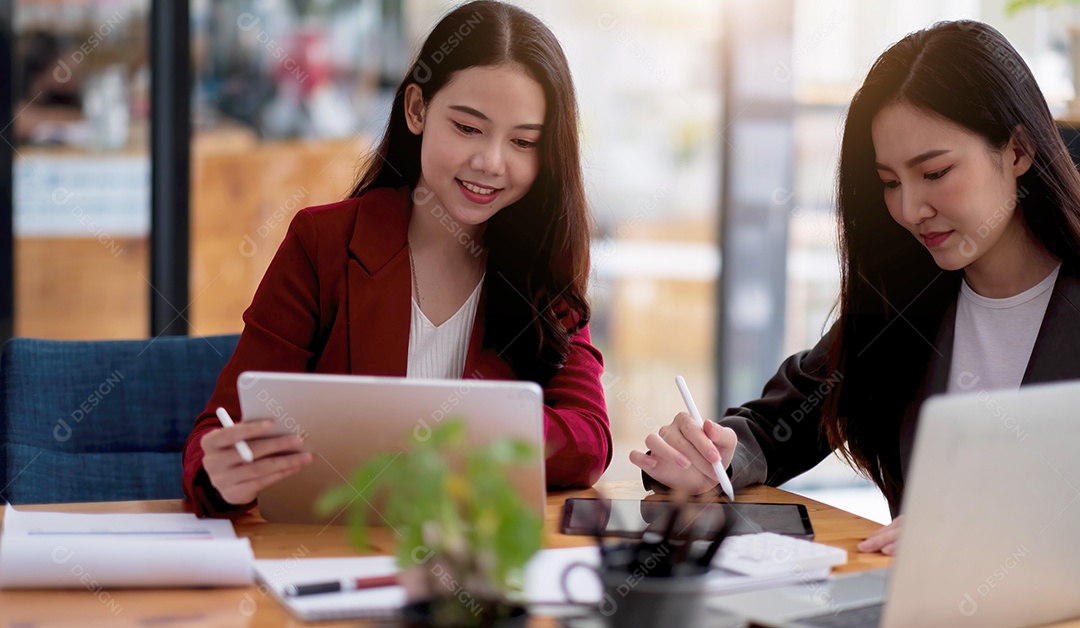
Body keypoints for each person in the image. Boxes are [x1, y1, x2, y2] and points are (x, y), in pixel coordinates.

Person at [631, 20, 1080, 555]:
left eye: (934, 172)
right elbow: (781, 421)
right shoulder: (906, 303)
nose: (909, 210)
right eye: (890, 182)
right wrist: (718, 456)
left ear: (1018, 151)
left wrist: (995, 531)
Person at [183, 0, 611, 517]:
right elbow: (219, 430)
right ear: (417, 110)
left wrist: (459, 432)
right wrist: (224, 478)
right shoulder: (323, 242)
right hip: (335, 549)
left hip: (472, 561)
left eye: (522, 141)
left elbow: (589, 439)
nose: (491, 162)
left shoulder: (543, 263)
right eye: (468, 128)